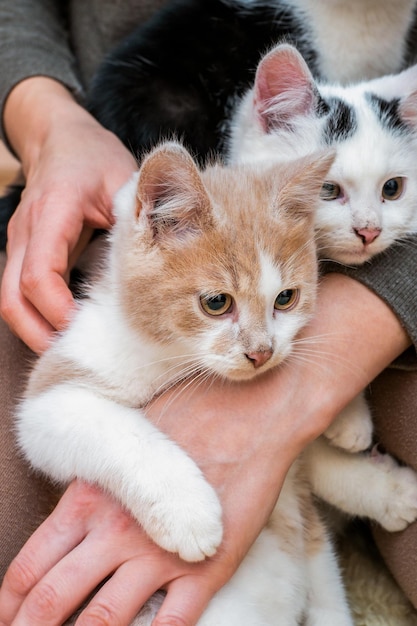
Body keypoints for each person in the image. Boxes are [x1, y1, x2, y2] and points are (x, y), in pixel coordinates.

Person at [0, 2, 416, 625]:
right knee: (34, 552)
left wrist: (312, 381)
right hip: (121, 185)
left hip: (353, 257)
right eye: (219, 303)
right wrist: (51, 126)